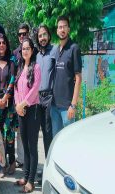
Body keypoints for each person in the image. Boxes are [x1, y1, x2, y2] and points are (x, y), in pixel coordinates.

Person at [14, 38, 41, 193]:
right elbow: (16, 88)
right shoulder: (20, 67)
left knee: (32, 147)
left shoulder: (35, 67)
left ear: (32, 50)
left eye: (27, 48)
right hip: (21, 111)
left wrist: (22, 104)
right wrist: (18, 105)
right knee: (24, 145)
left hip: (32, 110)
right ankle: (25, 176)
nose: (25, 51)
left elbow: (35, 88)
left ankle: (31, 181)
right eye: (23, 49)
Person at [51, 16, 82, 137]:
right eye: (60, 27)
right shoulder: (56, 49)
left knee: (69, 142)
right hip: (54, 107)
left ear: (68, 29)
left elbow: (78, 78)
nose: (62, 29)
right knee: (56, 141)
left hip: (67, 108)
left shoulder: (74, 48)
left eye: (64, 26)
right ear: (57, 30)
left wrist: (73, 105)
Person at [0, 33, 16, 175]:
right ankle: (2, 162)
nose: (1, 45)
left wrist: (5, 97)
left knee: (9, 133)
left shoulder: (12, 61)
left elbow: (12, 80)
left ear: (6, 45)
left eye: (3, 43)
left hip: (8, 103)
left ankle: (12, 161)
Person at [12, 23, 30, 169]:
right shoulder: (14, 53)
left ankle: (29, 159)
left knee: (30, 132)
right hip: (17, 98)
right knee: (19, 131)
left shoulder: (33, 51)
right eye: (20, 34)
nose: (22, 36)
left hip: (30, 99)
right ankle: (21, 159)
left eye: (24, 33)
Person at [35, 24, 55, 157]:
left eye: (44, 35)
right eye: (40, 35)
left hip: (49, 97)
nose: (42, 38)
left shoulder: (55, 51)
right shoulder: (36, 55)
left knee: (48, 132)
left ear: (48, 36)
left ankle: (49, 164)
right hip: (37, 98)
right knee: (39, 131)